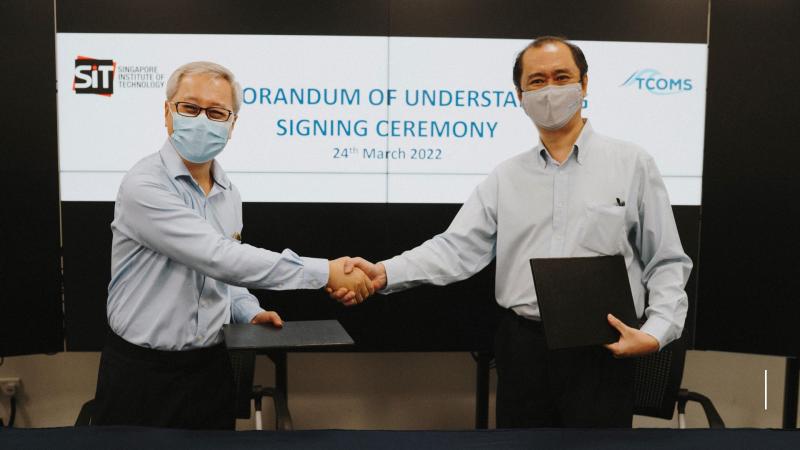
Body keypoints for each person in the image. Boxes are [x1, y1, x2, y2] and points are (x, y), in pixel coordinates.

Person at [332, 37, 693, 428]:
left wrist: (656, 332)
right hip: (524, 353)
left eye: (562, 77)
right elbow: (455, 249)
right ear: (520, 95)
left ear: (584, 84)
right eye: (537, 81)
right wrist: (384, 273)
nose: (550, 90)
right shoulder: (507, 177)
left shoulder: (632, 164)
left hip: (603, 350)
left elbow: (666, 261)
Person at [93, 61, 373, 430]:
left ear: (232, 124)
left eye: (216, 112)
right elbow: (219, 257)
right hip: (142, 375)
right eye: (190, 107)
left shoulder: (228, 193)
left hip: (210, 371)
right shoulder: (144, 185)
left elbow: (222, 275)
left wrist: (247, 310)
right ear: (167, 112)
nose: (202, 120)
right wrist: (327, 272)